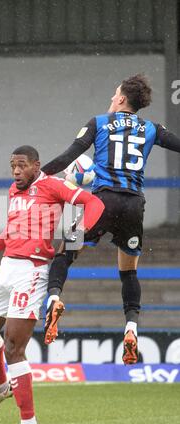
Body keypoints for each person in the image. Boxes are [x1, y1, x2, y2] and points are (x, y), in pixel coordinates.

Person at [0, 145, 104, 424]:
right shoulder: (14, 191)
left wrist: (80, 232)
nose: (16, 171)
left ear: (36, 166)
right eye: (12, 166)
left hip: (32, 271)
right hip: (6, 268)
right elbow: (12, 232)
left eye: (21, 166)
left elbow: (93, 202)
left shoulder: (52, 185)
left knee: (14, 346)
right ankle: (1, 385)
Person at [41, 74, 180, 365]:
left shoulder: (99, 122)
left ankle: (54, 299)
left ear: (120, 99)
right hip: (133, 205)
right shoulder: (151, 129)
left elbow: (69, 156)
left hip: (100, 203)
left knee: (65, 253)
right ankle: (131, 328)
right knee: (128, 272)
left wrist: (39, 176)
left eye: (114, 94)